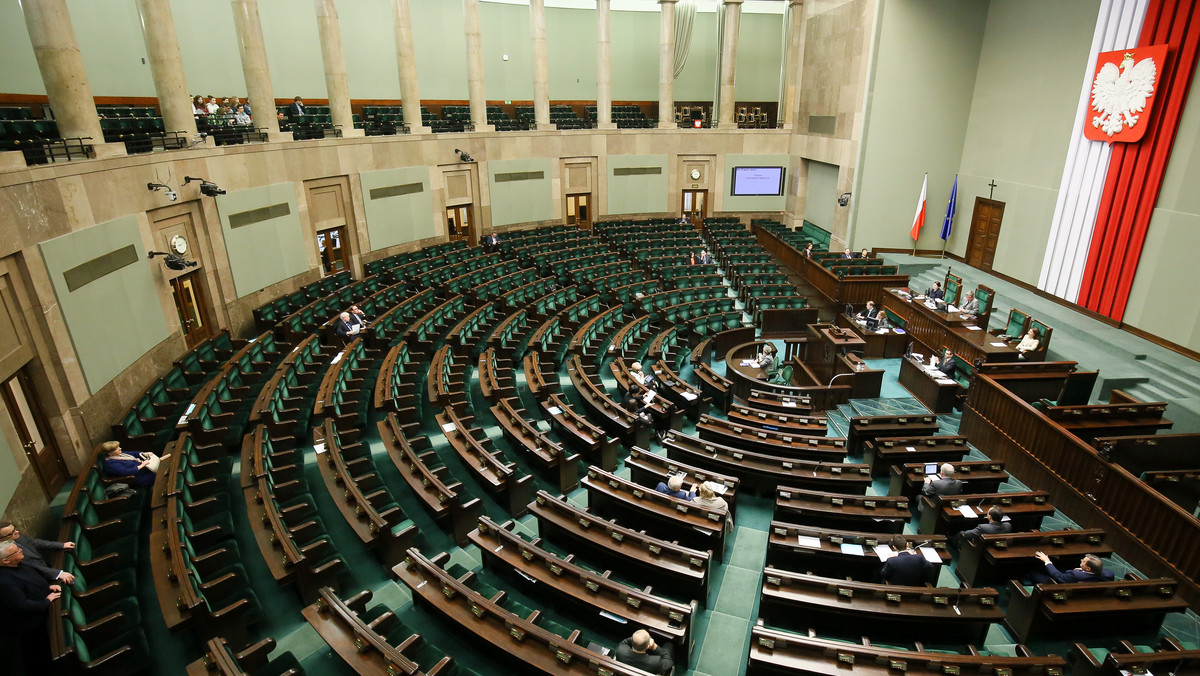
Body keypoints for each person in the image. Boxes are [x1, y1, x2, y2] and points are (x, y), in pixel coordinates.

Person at [0, 539, 59, 672]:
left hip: (39, 609)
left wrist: (48, 587)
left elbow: (33, 580)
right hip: (29, 623)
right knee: (37, 653)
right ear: (6, 561)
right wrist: (47, 601)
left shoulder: (19, 563)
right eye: (16, 551)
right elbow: (22, 605)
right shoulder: (4, 582)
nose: (21, 550)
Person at [0, 523, 75, 585]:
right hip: (40, 578)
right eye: (11, 533)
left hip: (46, 566)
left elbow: (36, 543)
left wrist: (61, 545)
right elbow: (31, 566)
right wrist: (57, 574)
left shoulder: (17, 537)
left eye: (14, 529)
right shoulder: (6, 554)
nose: (17, 531)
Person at [1026, 552, 1114, 584]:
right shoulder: (1109, 574)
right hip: (1078, 577)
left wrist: (1047, 561)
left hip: (1058, 584)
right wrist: (1082, 570)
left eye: (1083, 562)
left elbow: (1057, 576)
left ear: (1088, 569)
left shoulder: (1076, 575)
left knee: (1032, 573)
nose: (1081, 560)